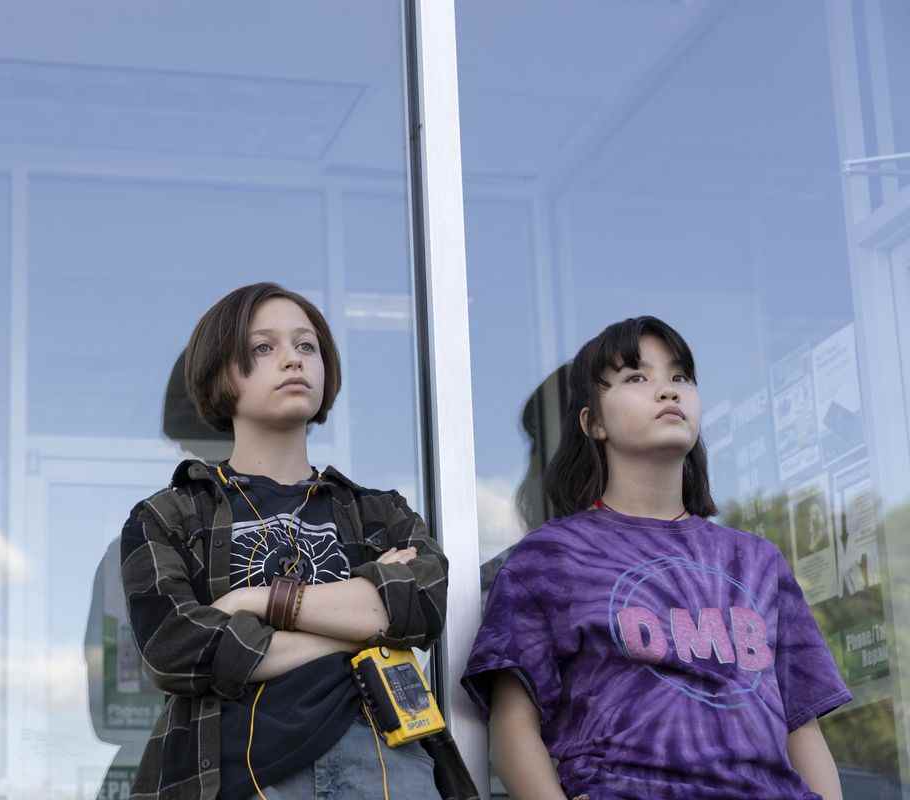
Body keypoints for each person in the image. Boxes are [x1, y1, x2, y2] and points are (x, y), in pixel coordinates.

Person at [462, 316, 852, 800]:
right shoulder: (548, 558)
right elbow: (512, 725)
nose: (668, 392)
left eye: (680, 377)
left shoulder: (758, 561)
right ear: (593, 422)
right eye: (636, 378)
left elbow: (802, 727)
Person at [116, 283, 476, 800]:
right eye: (264, 348)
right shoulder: (170, 515)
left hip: (382, 766)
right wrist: (362, 624)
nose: (292, 360)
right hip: (236, 776)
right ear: (221, 372)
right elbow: (177, 648)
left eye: (306, 346)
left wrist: (258, 601)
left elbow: (422, 601)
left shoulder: (377, 512)